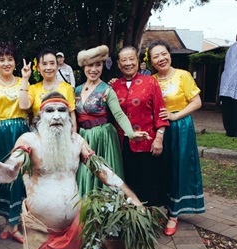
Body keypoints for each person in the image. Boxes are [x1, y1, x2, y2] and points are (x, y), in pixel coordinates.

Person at [0, 92, 144, 249]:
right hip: (42, 232)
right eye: (50, 111)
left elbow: (102, 170)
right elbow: (17, 157)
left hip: (78, 224)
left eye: (62, 110)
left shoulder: (77, 141)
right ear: (40, 116)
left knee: (116, 237)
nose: (57, 116)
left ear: (69, 116)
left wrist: (134, 198)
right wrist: (11, 168)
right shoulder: (29, 139)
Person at [147, 39, 205, 236]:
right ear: (151, 62)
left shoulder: (183, 75)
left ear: (170, 55)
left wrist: (174, 116)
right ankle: (162, 204)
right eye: (156, 56)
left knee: (179, 166)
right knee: (160, 167)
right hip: (158, 129)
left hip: (180, 127)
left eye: (164, 54)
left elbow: (196, 102)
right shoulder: (151, 80)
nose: (161, 58)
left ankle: (174, 213)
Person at [75, 44, 149, 195]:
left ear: (103, 66)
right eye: (90, 65)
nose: (94, 69)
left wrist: (131, 133)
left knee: (105, 175)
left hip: (104, 138)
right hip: (84, 138)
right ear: (84, 67)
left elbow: (119, 114)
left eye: (98, 65)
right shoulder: (76, 89)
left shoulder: (107, 90)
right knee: (85, 173)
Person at [0, 43, 29, 247]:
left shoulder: (24, 82)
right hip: (0, 134)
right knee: (3, 175)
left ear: (15, 62)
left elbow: (28, 106)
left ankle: (13, 225)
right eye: (2, 60)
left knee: (20, 177)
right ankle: (7, 222)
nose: (6, 63)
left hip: (21, 133)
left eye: (10, 59)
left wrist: (26, 80)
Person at [111, 46, 170, 208]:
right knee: (129, 183)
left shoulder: (150, 82)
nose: (128, 63)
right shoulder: (114, 87)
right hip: (123, 144)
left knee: (149, 182)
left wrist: (159, 137)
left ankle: (150, 218)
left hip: (148, 143)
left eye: (132, 59)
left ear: (138, 61)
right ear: (118, 63)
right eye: (124, 60)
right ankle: (132, 219)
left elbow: (160, 111)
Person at [19, 48, 77, 131]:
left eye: (52, 63)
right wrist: (25, 78)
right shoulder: (34, 89)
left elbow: (72, 116)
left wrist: (74, 136)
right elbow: (23, 106)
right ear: (38, 68)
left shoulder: (67, 88)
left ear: (57, 66)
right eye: (44, 64)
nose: (49, 67)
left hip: (63, 135)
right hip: (39, 136)